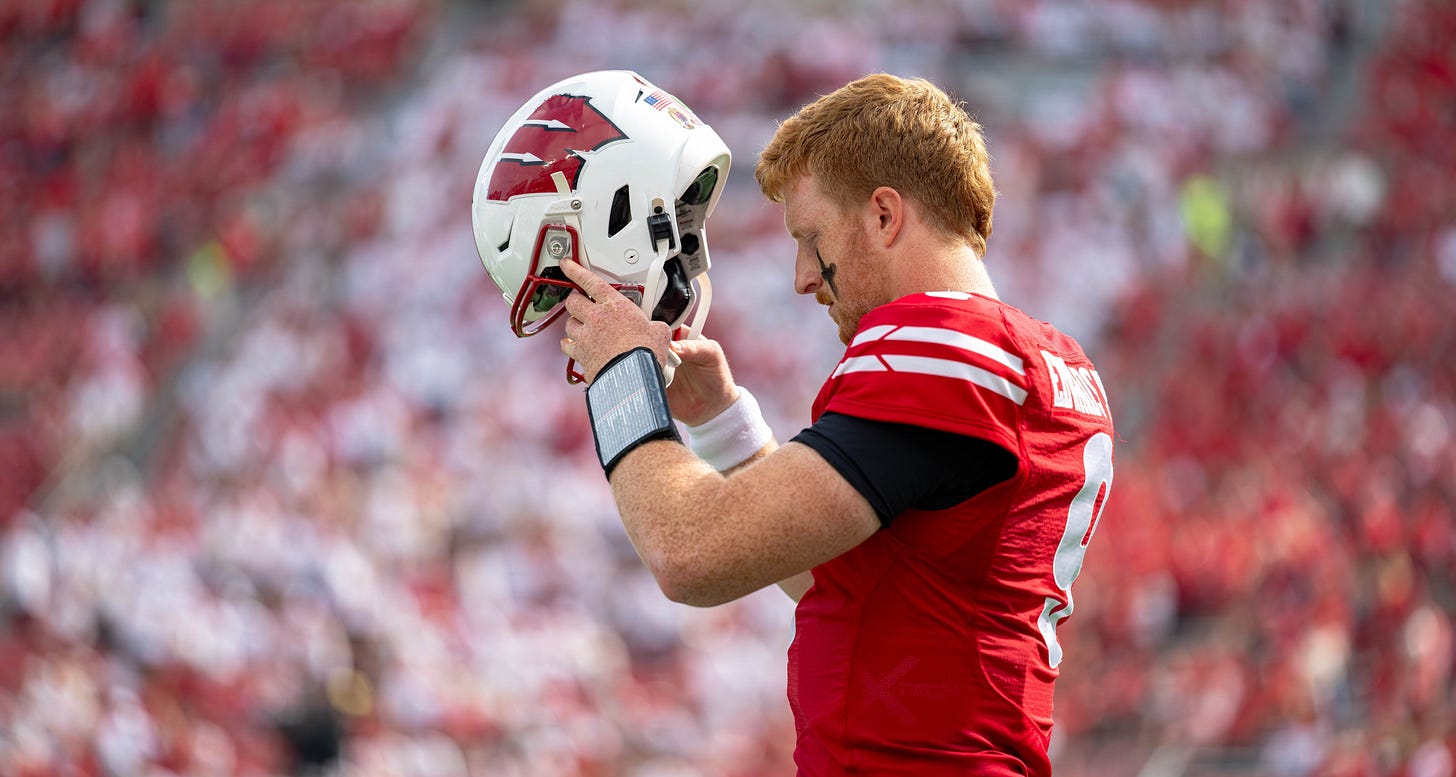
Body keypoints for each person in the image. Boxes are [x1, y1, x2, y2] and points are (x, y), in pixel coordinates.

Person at [557, 74, 1115, 777]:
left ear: (884, 215)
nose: (800, 275)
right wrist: (727, 424)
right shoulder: (1054, 364)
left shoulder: (945, 349)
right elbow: (844, 578)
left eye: (810, 236)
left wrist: (620, 376)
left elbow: (689, 551)